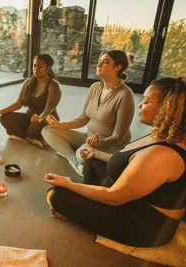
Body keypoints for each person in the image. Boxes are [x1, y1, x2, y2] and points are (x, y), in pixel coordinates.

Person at [45, 77, 186, 247]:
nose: (140, 105)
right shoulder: (160, 133)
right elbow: (133, 166)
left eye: (146, 102)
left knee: (56, 195)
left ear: (167, 109)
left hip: (142, 224)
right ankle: (86, 205)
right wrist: (96, 153)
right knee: (92, 161)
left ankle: (80, 209)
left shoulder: (163, 154)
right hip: (133, 199)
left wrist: (69, 185)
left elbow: (115, 197)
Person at [42, 50, 135, 175]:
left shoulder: (125, 94)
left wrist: (100, 143)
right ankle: (74, 160)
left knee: (82, 154)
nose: (99, 64)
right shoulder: (95, 87)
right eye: (99, 61)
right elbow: (83, 118)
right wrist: (59, 125)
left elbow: (119, 137)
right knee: (47, 131)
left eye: (105, 62)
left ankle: (77, 155)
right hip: (89, 138)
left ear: (118, 67)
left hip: (110, 146)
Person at [0, 54, 61, 149]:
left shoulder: (54, 86)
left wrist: (39, 119)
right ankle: (30, 139)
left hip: (45, 120)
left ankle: (22, 133)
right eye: (34, 66)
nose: (36, 69)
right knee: (4, 118)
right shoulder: (28, 82)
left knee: (32, 129)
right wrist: (1, 111)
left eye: (40, 66)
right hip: (30, 118)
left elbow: (48, 110)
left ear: (49, 68)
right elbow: (18, 103)